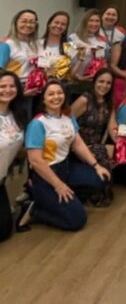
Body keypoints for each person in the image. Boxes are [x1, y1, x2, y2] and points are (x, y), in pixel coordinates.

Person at [19, 80, 110, 232]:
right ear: (43, 99)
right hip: (46, 176)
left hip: (65, 169)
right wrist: (58, 185)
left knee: (101, 178)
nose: (56, 97)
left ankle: (62, 201)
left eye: (59, 93)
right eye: (51, 94)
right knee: (77, 221)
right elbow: (35, 161)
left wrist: (96, 166)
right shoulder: (37, 124)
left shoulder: (68, 116)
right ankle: (34, 210)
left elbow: (78, 144)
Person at [70, 68, 116, 206]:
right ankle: (94, 193)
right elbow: (66, 123)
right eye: (101, 81)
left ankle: (96, 191)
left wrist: (120, 144)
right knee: (103, 153)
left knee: (107, 152)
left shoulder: (109, 102)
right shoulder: (84, 100)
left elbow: (112, 128)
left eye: (108, 83)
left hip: (96, 146)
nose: (104, 85)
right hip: (78, 146)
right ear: (94, 82)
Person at [0, 70, 26, 242]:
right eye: (2, 86)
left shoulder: (17, 114)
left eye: (12, 86)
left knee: (4, 230)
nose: (7, 90)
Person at [0, 10, 39, 107]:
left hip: (31, 89)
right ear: (15, 23)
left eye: (31, 22)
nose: (28, 25)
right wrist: (18, 92)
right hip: (13, 88)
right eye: (24, 21)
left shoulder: (34, 44)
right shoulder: (7, 44)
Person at [69, 9, 108, 83]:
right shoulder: (73, 38)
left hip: (94, 82)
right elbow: (68, 62)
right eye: (91, 20)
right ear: (85, 22)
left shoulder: (103, 42)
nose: (94, 24)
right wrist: (78, 77)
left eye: (97, 21)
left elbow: (105, 64)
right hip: (74, 81)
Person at [37, 11, 71, 79]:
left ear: (66, 28)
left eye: (63, 24)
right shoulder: (37, 43)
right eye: (56, 22)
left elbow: (72, 72)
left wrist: (81, 58)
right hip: (38, 83)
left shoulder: (70, 46)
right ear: (49, 24)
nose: (59, 26)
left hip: (61, 83)